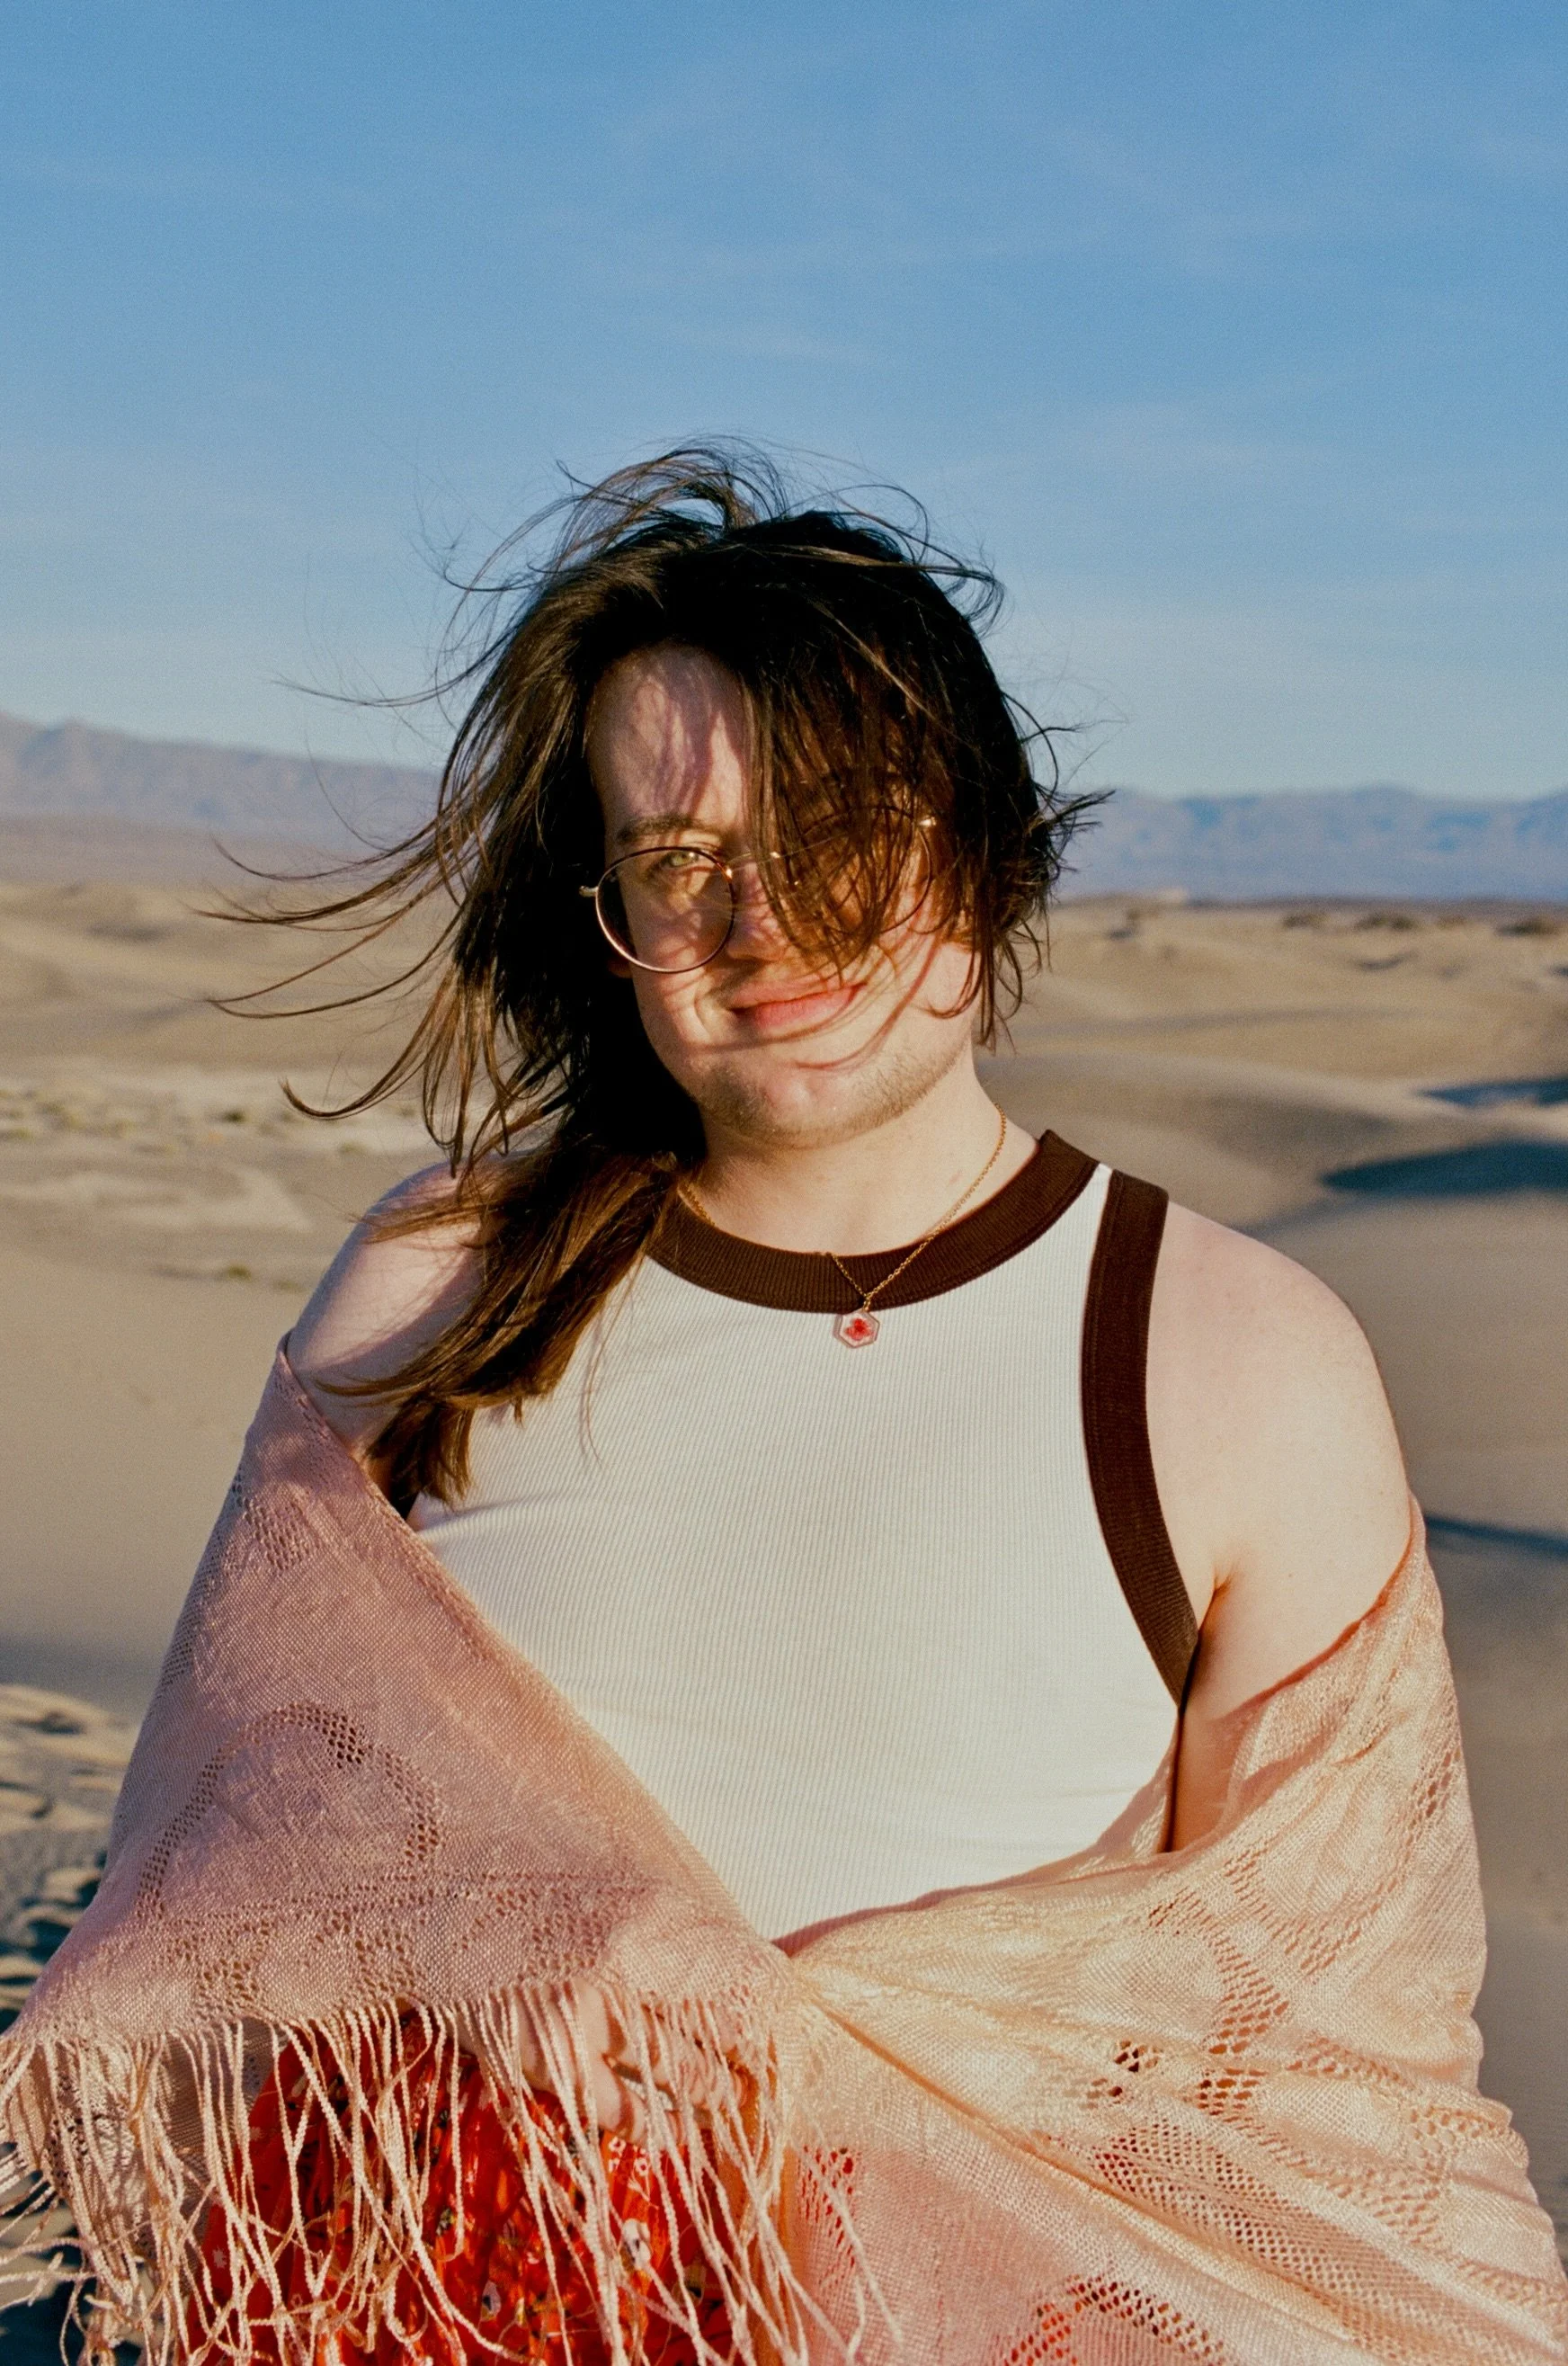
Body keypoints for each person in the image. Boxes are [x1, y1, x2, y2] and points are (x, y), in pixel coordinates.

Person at [8, 452, 1563, 2366]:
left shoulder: (1227, 1358)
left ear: (984, 845)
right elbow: (224, 1898)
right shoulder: (438, 1290)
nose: (763, 922)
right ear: (609, 924)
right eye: (679, 864)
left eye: (839, 830)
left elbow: (1337, 2078)